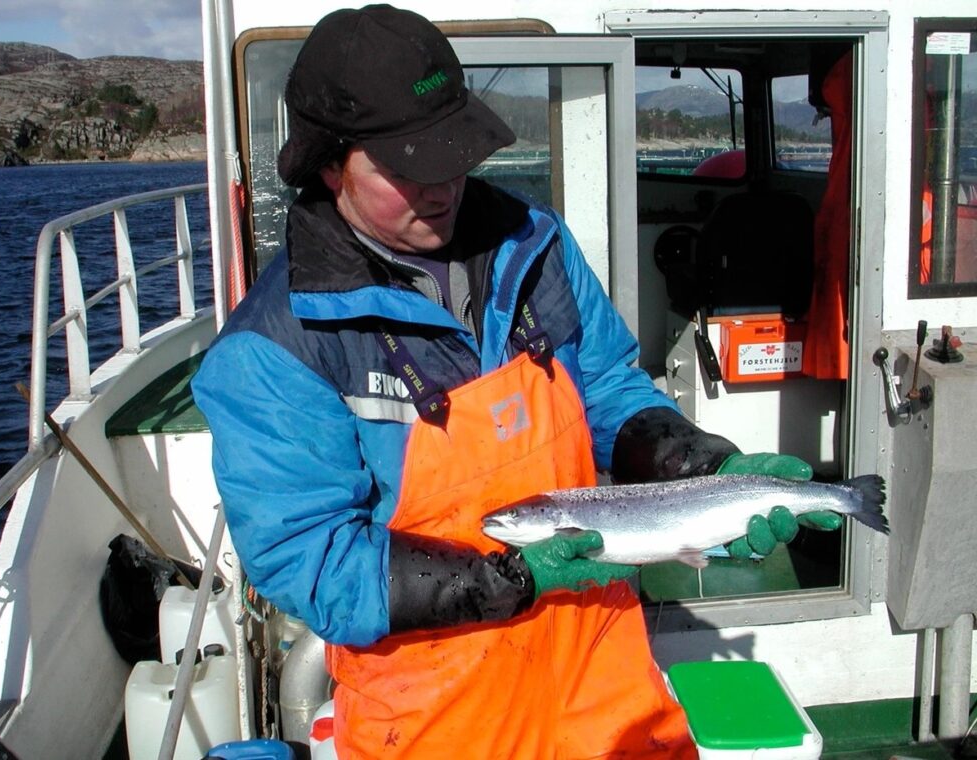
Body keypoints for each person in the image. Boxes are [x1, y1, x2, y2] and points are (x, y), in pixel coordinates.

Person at [192, 5, 842, 758]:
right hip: (435, 708)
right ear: (332, 164)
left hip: (600, 667)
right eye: (407, 166)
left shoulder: (533, 245)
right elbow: (308, 558)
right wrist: (508, 576)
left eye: (453, 152)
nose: (441, 186)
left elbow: (606, 389)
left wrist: (712, 471)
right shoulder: (273, 349)